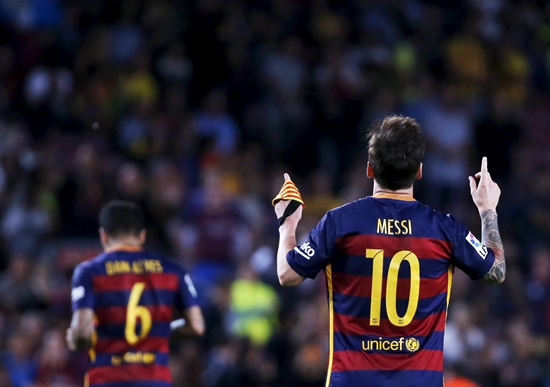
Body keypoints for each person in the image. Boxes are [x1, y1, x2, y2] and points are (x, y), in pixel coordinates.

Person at [273, 115, 505, 387]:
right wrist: (488, 210)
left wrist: (287, 224)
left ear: (369, 169)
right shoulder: (445, 229)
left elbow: (287, 274)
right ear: (419, 171)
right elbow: (496, 271)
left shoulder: (340, 222)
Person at [66, 200, 204, 387]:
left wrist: (74, 339)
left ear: (103, 236)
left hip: (108, 381)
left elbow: (82, 332)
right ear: (142, 236)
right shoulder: (173, 270)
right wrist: (163, 328)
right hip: (155, 381)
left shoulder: (90, 271)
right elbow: (197, 325)